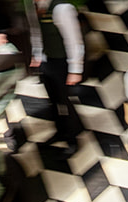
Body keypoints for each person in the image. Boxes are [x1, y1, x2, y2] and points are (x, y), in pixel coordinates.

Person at [26, 0, 85, 149]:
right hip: (47, 61)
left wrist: (75, 70)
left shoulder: (62, 9)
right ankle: (60, 131)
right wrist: (37, 55)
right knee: (53, 101)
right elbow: (36, 32)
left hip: (62, 62)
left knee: (65, 102)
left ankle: (73, 139)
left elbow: (74, 41)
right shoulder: (34, 6)